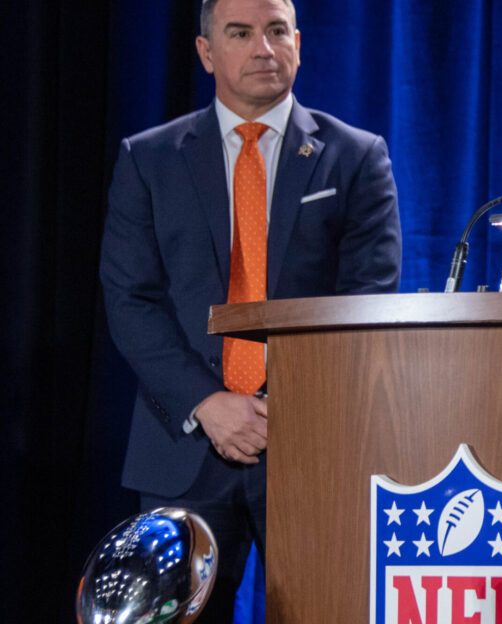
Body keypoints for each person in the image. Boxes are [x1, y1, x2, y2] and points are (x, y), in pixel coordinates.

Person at [99, 0, 402, 619]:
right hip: (182, 449)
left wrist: (279, 409)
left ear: (299, 42)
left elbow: (367, 301)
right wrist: (209, 405)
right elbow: (131, 300)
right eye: (241, 33)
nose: (264, 47)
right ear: (208, 52)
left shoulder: (356, 156)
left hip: (313, 444)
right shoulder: (148, 158)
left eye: (276, 30)